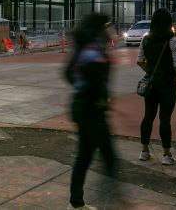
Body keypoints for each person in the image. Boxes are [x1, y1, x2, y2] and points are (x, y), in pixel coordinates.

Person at [65, 13, 116, 210]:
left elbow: (68, 73)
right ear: (100, 28)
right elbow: (97, 82)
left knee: (84, 156)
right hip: (92, 111)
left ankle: (76, 203)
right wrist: (101, 99)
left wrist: (79, 86)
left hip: (82, 107)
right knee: (109, 158)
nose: (110, 28)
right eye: (108, 25)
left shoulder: (84, 45)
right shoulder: (94, 49)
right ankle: (114, 202)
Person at [137, 8, 176, 165]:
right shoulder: (173, 41)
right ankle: (166, 154)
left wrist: (151, 72)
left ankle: (144, 151)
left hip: (151, 84)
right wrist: (173, 76)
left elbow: (140, 60)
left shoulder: (146, 39)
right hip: (168, 85)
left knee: (148, 117)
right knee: (165, 119)